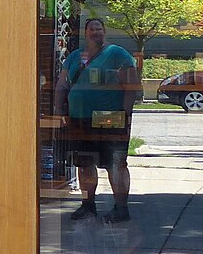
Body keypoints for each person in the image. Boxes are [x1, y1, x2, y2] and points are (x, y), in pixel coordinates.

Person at [55, 16, 140, 223]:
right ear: (85, 33)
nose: (96, 32)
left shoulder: (118, 54)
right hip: (79, 118)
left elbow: (131, 87)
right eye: (92, 29)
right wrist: (59, 111)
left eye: (99, 28)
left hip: (109, 117)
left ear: (105, 32)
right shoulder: (75, 57)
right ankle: (88, 205)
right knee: (84, 163)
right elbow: (62, 85)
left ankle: (121, 208)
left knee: (115, 163)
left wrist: (125, 114)